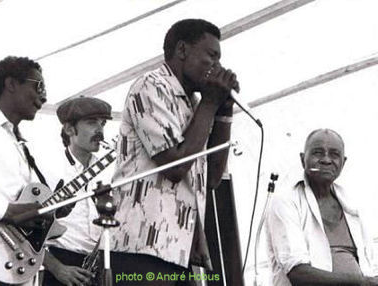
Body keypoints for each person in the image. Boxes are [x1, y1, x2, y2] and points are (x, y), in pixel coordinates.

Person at [111, 18, 239, 285]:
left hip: (178, 251)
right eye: (211, 56)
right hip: (142, 249)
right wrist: (210, 103)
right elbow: (176, 167)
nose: (217, 67)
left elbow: (212, 178)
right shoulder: (149, 87)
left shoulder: (194, 104)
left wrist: (223, 113)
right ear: (182, 50)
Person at [266, 128, 378, 285]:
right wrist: (362, 283)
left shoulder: (351, 202)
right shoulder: (285, 200)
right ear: (302, 159)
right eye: (318, 153)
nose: (326, 160)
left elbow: (370, 263)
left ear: (343, 163)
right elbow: (298, 272)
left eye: (334, 154)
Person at [0, 56, 48, 285]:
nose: (44, 97)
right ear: (11, 84)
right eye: (38, 86)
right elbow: (10, 209)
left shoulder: (18, 142)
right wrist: (6, 211)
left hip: (8, 266)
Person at [42, 96, 114, 286]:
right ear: (69, 129)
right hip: (60, 268)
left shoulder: (109, 172)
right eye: (92, 123)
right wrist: (58, 269)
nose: (100, 131)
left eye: (103, 124)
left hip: (98, 267)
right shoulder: (47, 169)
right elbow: (24, 233)